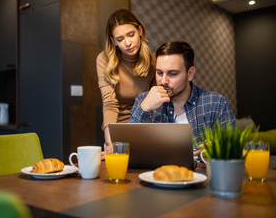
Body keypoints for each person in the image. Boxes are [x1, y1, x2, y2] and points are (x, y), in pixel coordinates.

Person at [129, 41, 236, 149]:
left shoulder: (216, 104)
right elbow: (127, 146)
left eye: (172, 74)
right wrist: (144, 108)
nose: (163, 81)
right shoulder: (143, 100)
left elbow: (232, 152)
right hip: (156, 167)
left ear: (190, 74)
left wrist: (208, 154)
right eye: (159, 73)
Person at [96, 9, 156, 149]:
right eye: (120, 39)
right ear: (113, 41)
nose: (127, 43)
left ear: (140, 30)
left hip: (145, 128)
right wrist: (109, 143)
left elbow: (155, 104)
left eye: (131, 34)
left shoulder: (154, 61)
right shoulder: (104, 59)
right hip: (117, 130)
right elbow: (109, 103)